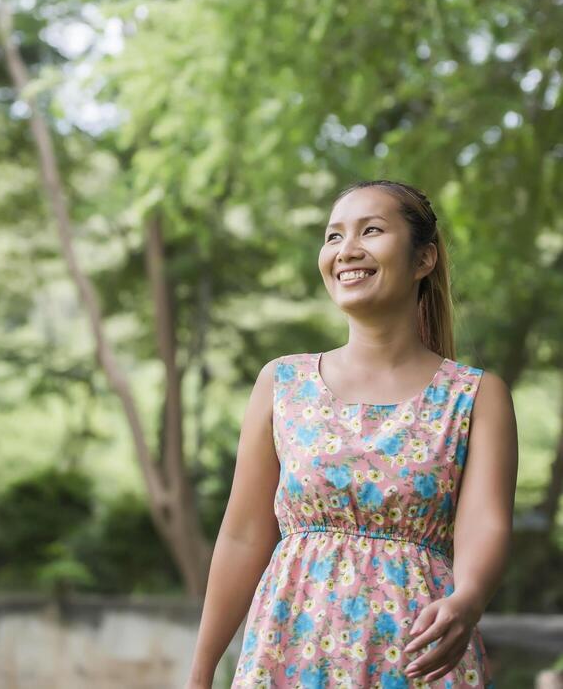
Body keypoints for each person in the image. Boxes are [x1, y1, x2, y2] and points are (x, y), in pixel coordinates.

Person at [184, 179, 518, 688]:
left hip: (417, 658)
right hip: (288, 653)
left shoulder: (474, 395)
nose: (347, 251)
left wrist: (467, 599)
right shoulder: (281, 383)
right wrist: (201, 671)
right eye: (334, 236)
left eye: (372, 230)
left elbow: (485, 525)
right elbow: (242, 535)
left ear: (424, 259)